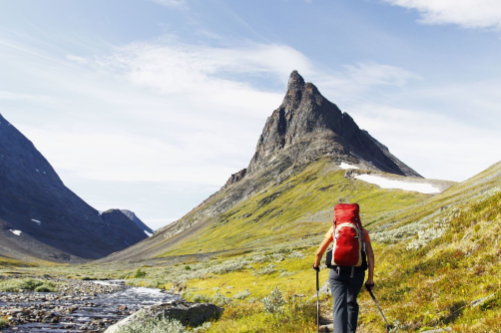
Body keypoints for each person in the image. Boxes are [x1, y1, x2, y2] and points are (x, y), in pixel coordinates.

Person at [313, 221, 374, 333]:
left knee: (339, 304)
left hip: (337, 272)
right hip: (357, 272)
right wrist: (370, 279)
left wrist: (316, 265)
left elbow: (319, 253)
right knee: (351, 301)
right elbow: (370, 256)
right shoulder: (362, 231)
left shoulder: (334, 229)